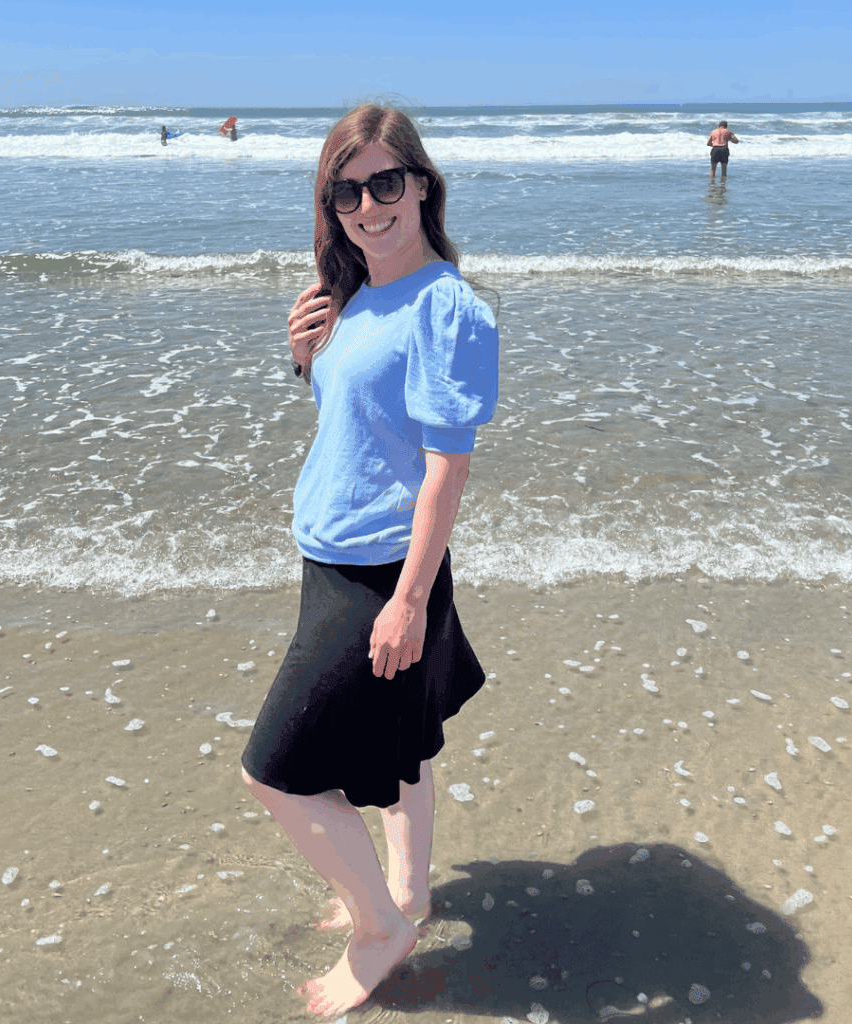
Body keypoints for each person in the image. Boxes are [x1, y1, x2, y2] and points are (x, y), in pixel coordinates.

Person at [240, 103, 499, 1018]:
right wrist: (305, 358)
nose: (365, 205)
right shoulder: (351, 294)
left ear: (421, 184)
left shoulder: (447, 308)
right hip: (333, 553)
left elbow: (445, 470)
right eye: (345, 190)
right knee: (395, 749)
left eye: (385, 182)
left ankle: (378, 927)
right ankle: (411, 894)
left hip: (387, 572)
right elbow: (359, 427)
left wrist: (410, 603)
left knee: (273, 771)